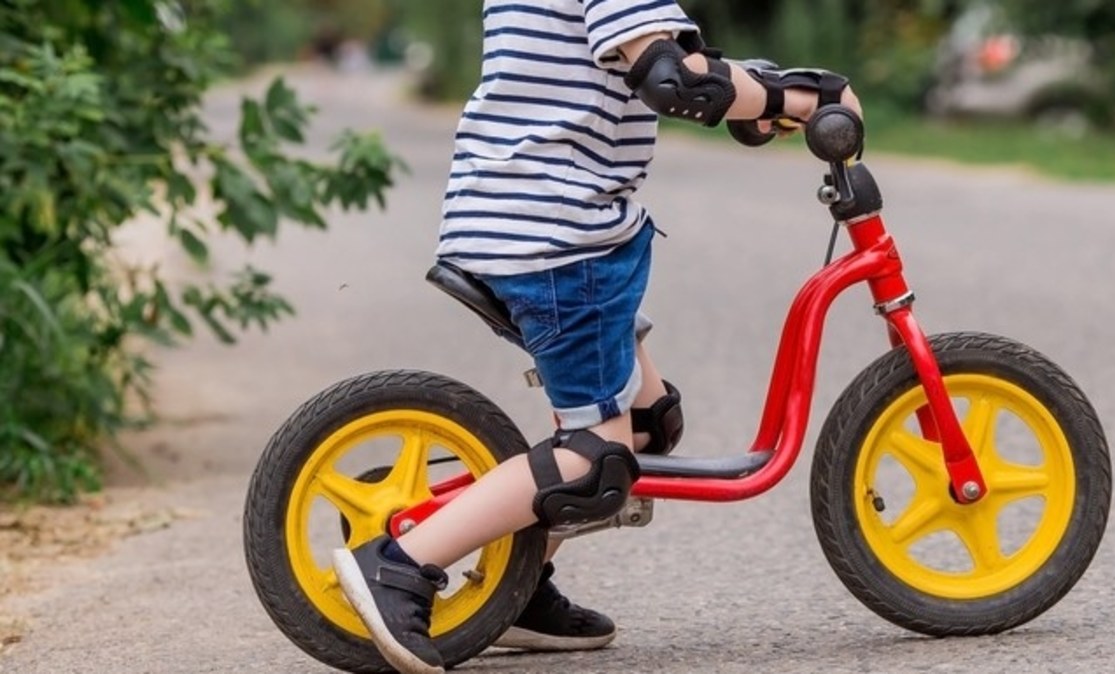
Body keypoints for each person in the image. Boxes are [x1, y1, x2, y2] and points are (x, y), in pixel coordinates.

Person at [332, 2, 862, 672]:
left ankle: (515, 588)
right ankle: (401, 563)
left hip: (534, 220)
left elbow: (648, 61)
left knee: (645, 418)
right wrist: (801, 97)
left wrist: (754, 89)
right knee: (594, 462)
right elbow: (673, 79)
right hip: (556, 239)